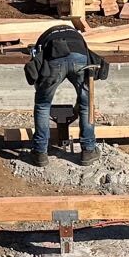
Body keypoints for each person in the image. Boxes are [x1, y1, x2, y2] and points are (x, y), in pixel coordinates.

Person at [24, 22, 108, 163]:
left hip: (54, 59)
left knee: (42, 105)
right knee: (86, 105)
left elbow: (37, 66)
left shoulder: (43, 40)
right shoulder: (77, 37)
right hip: (80, 58)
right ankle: (88, 150)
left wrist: (41, 88)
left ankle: (40, 153)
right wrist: (81, 102)